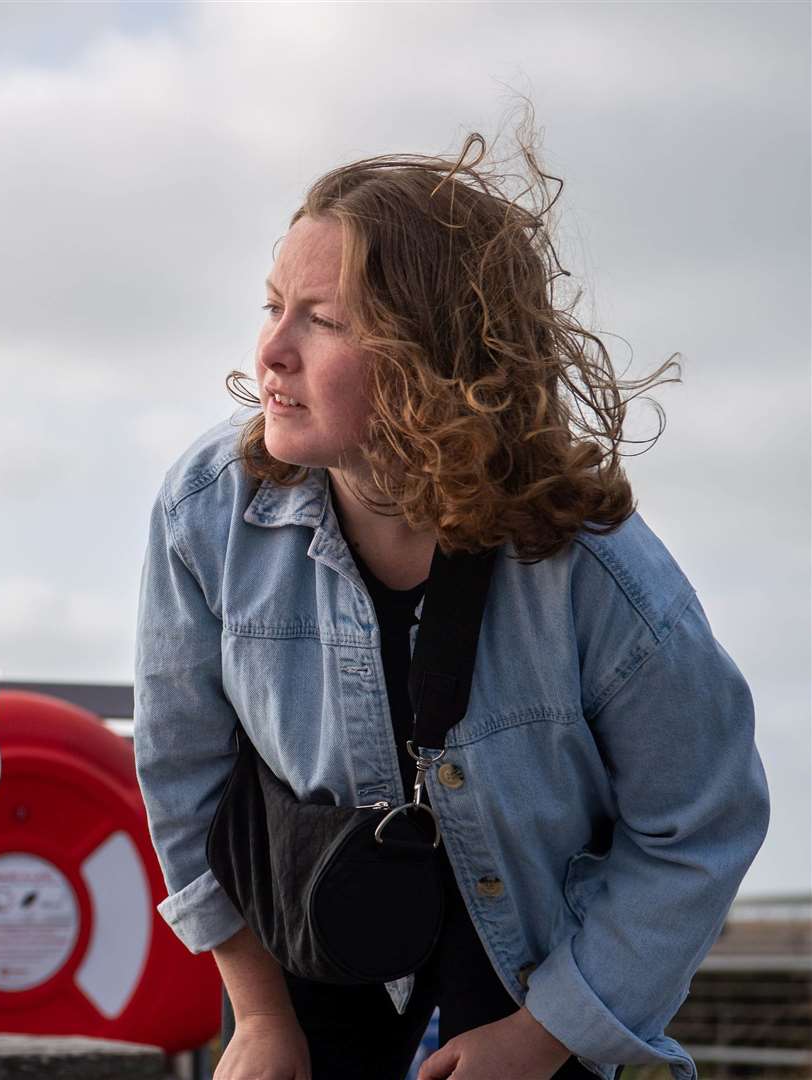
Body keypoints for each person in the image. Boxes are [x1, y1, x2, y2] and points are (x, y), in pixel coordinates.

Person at [132, 115, 771, 1080]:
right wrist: (259, 1019)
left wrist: (544, 1037)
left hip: (529, 996)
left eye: (325, 319)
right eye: (273, 306)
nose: (272, 350)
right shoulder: (206, 512)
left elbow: (703, 824)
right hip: (305, 987)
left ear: (435, 358)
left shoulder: (598, 575)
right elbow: (183, 779)